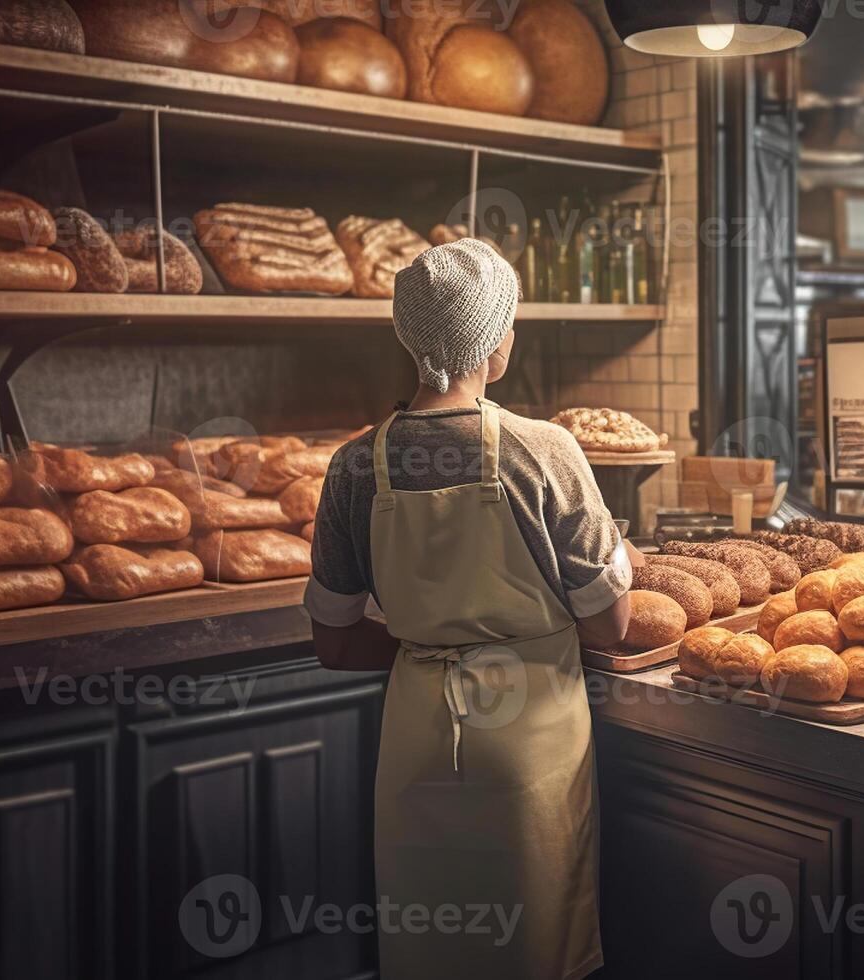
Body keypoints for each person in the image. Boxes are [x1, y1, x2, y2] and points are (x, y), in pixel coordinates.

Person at [306, 238, 633, 979]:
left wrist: (432, 648)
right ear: (495, 339)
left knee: (431, 946)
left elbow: (332, 642)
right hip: (530, 739)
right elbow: (608, 624)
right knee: (534, 947)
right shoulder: (543, 450)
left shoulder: (354, 463)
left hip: (415, 740)